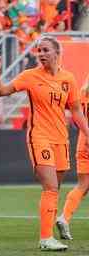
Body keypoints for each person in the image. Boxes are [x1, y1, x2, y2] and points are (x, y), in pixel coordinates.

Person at [0, 36, 89, 251]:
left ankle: (49, 233)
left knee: (56, 188)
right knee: (51, 187)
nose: (41, 54)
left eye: (45, 50)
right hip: (39, 136)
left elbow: (77, 111)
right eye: (38, 50)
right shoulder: (30, 76)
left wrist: (87, 133)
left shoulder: (68, 79)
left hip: (61, 138)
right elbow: (2, 91)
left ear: (56, 52)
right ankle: (45, 238)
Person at [56, 76, 89, 240]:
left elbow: (76, 116)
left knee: (83, 185)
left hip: (84, 141)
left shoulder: (82, 92)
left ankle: (64, 217)